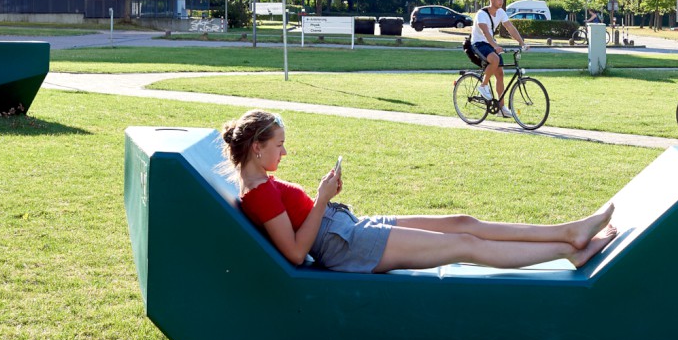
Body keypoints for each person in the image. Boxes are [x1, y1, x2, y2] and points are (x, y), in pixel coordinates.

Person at [224, 109, 617, 273]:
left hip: (346, 228)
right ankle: (571, 251)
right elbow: (295, 253)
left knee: (463, 222)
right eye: (279, 145)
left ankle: (570, 231)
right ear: (257, 148)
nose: (285, 151)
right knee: (464, 243)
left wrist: (324, 201)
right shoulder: (257, 192)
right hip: (344, 245)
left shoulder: (261, 183)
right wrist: (322, 198)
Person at [471, 0, 526, 117]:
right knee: (494, 60)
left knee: (500, 74)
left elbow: (510, 28)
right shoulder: (482, 14)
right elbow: (485, 32)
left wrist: (521, 42)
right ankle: (483, 86)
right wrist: (495, 45)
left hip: (490, 44)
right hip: (478, 43)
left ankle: (501, 108)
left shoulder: (501, 12)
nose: (501, 1)